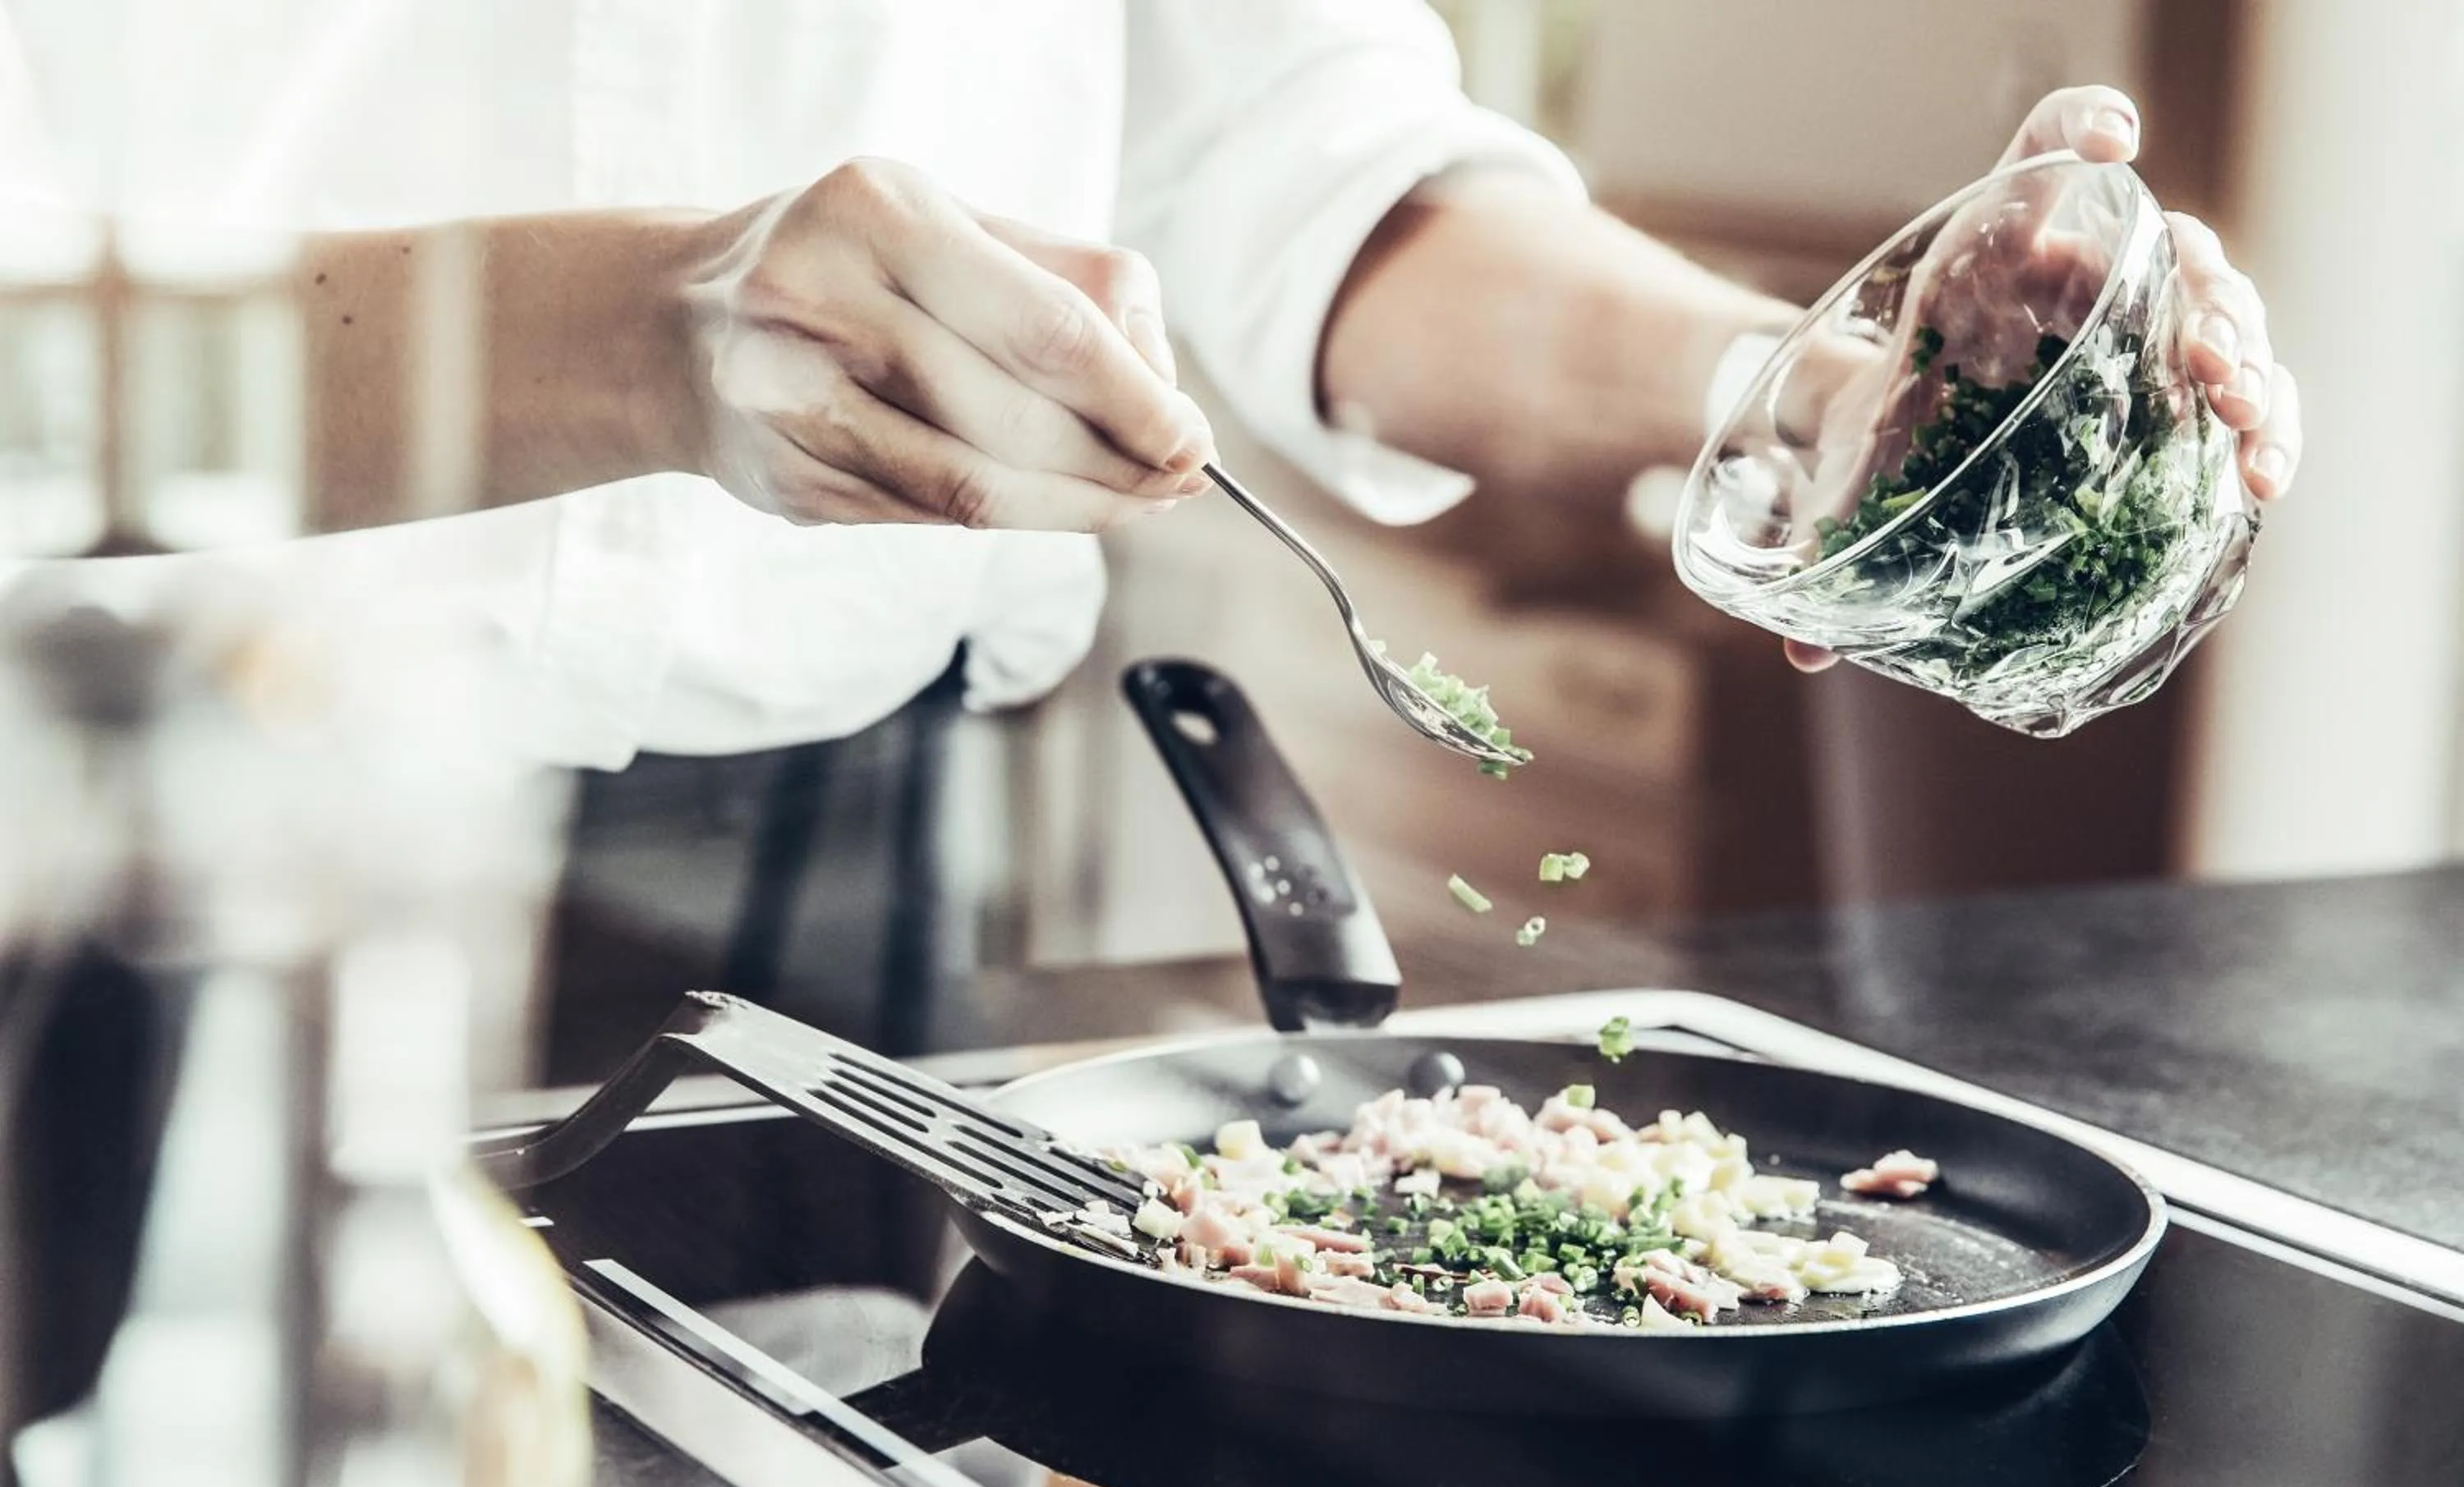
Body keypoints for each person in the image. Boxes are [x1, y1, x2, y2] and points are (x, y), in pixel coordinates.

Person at [1, 2, 2301, 1069]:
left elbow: (1310, 161)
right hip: (114, 869)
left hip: (858, 909)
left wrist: (1792, 399)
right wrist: (607, 338)